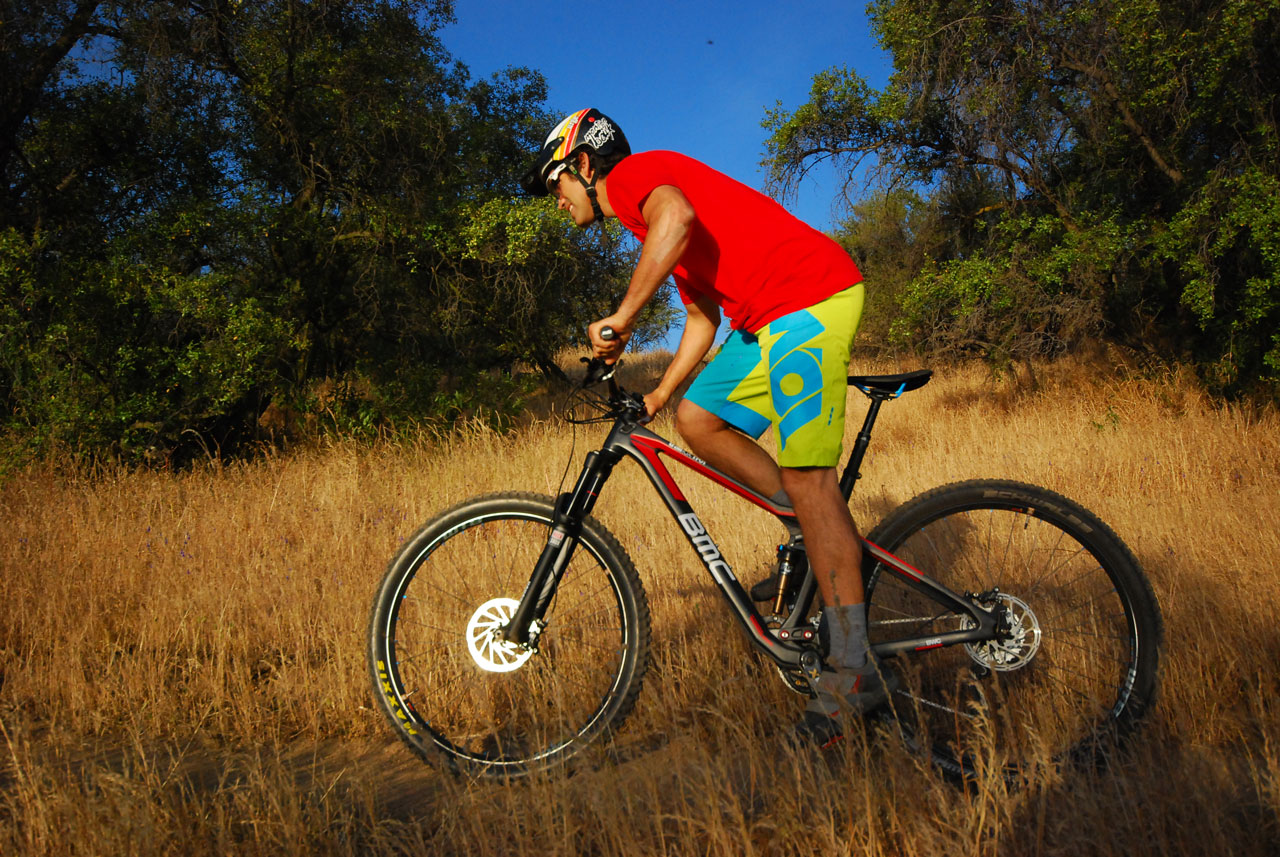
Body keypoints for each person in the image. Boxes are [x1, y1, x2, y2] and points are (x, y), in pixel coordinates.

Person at [520, 108, 896, 747]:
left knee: (809, 477)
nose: (557, 201)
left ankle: (854, 670)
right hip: (763, 318)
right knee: (698, 419)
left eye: (555, 183)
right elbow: (702, 318)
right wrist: (660, 395)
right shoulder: (652, 227)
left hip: (808, 297)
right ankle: (804, 532)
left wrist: (623, 316)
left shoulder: (638, 177)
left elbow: (678, 217)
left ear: (582, 164)